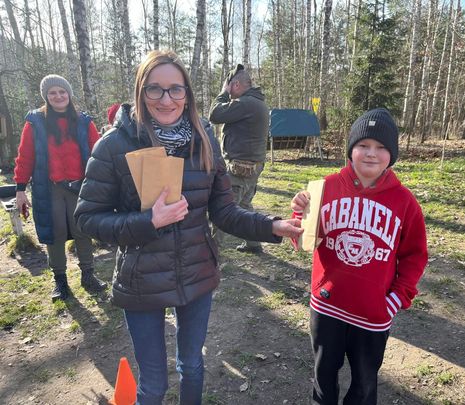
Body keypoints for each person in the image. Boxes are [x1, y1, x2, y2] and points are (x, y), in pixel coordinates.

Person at [74, 50, 302, 405]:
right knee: (153, 385)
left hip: (197, 271)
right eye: (155, 89)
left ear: (187, 94)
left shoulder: (205, 140)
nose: (166, 100)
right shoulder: (114, 145)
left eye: (175, 89)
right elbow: (87, 218)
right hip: (142, 278)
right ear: (141, 91)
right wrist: (148, 221)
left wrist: (272, 226)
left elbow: (225, 211)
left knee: (192, 366)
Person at [290, 108, 428, 405]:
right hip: (327, 306)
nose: (371, 153)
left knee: (365, 384)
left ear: (392, 155)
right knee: (323, 377)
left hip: (372, 315)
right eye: (363, 145)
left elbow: (415, 256)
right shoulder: (325, 188)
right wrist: (300, 213)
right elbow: (303, 240)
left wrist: (395, 299)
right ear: (351, 149)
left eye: (381, 147)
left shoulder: (405, 203)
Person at [14, 74, 106, 302]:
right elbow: (25, 157)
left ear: (69, 94)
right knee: (54, 234)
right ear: (46, 96)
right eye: (52, 92)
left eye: (62, 91)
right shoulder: (35, 123)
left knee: (82, 230)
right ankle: (60, 281)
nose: (58, 96)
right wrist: (20, 188)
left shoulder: (84, 122)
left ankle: (88, 275)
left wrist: (103, 183)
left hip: (81, 188)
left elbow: (99, 153)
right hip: (50, 188)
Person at [209, 64, 269, 253]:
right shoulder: (256, 102)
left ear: (235, 85)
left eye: (229, 87)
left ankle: (211, 251)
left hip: (241, 168)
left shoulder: (246, 103)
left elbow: (214, 115)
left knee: (224, 207)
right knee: (244, 206)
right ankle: (253, 243)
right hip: (251, 166)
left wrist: (223, 93)